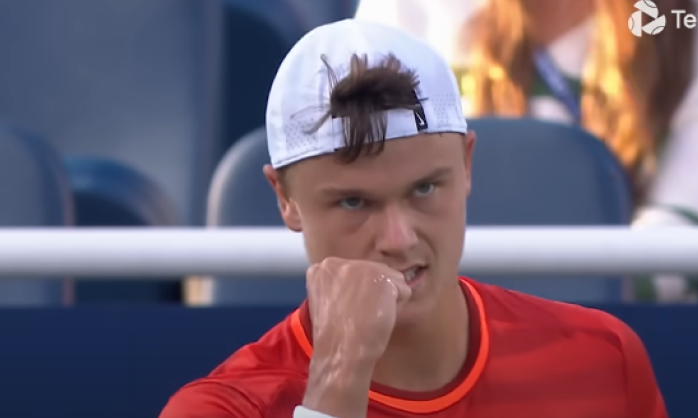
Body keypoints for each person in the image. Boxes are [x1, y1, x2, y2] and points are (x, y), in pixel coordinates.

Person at [159, 19, 667, 418]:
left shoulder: (603, 357)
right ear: (285, 199)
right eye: (353, 202)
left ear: (466, 165)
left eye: (424, 189)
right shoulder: (220, 409)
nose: (398, 239)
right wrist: (339, 380)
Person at [355, 0, 698, 302]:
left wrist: (554, 306)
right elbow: (359, 194)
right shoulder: (405, 11)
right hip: (434, 332)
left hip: (620, 335)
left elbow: (686, 230)